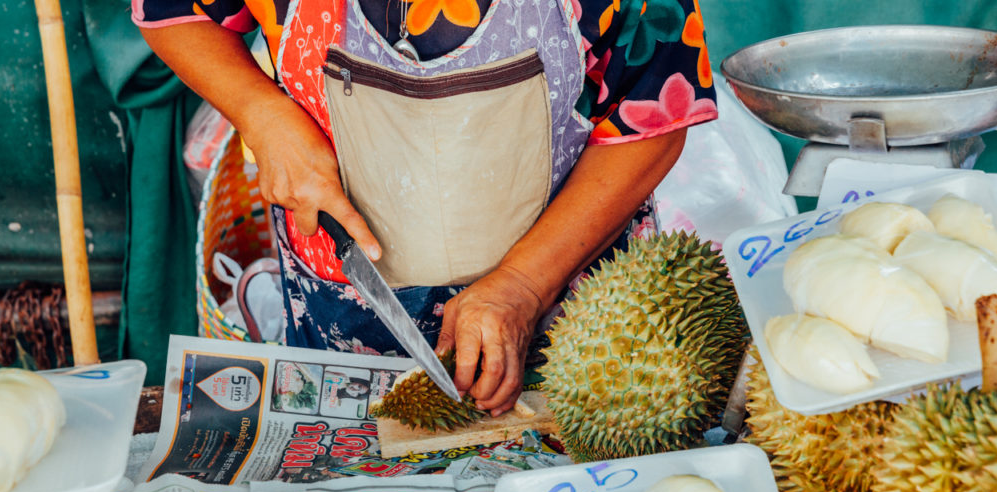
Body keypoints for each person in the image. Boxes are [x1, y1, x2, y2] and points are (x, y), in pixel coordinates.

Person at [133, 0, 717, 417]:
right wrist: (260, 112)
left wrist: (524, 284)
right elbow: (171, 12)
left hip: (577, 312)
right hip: (341, 309)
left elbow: (654, 113)